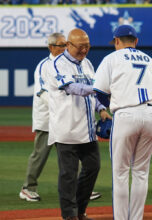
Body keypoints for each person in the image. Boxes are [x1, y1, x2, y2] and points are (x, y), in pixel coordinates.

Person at [93, 25, 152, 220]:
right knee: (141, 173)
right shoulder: (150, 60)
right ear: (136, 41)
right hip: (151, 115)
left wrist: (106, 110)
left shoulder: (112, 58)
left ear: (117, 41)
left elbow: (100, 92)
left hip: (126, 115)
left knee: (120, 173)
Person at [47, 28, 111, 220]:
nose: (84, 50)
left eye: (87, 46)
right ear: (68, 45)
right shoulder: (58, 64)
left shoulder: (88, 63)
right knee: (68, 175)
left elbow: (95, 94)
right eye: (80, 47)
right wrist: (97, 88)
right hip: (66, 130)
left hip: (87, 130)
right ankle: (70, 216)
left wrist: (101, 109)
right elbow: (72, 87)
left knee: (93, 167)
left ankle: (80, 210)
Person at [19, 32, 67, 202]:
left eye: (66, 44)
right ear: (51, 47)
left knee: (70, 155)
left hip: (64, 119)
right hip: (47, 119)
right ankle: (28, 188)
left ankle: (78, 189)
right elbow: (42, 93)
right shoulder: (43, 66)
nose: (65, 48)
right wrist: (61, 107)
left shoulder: (68, 65)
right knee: (39, 155)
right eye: (61, 45)